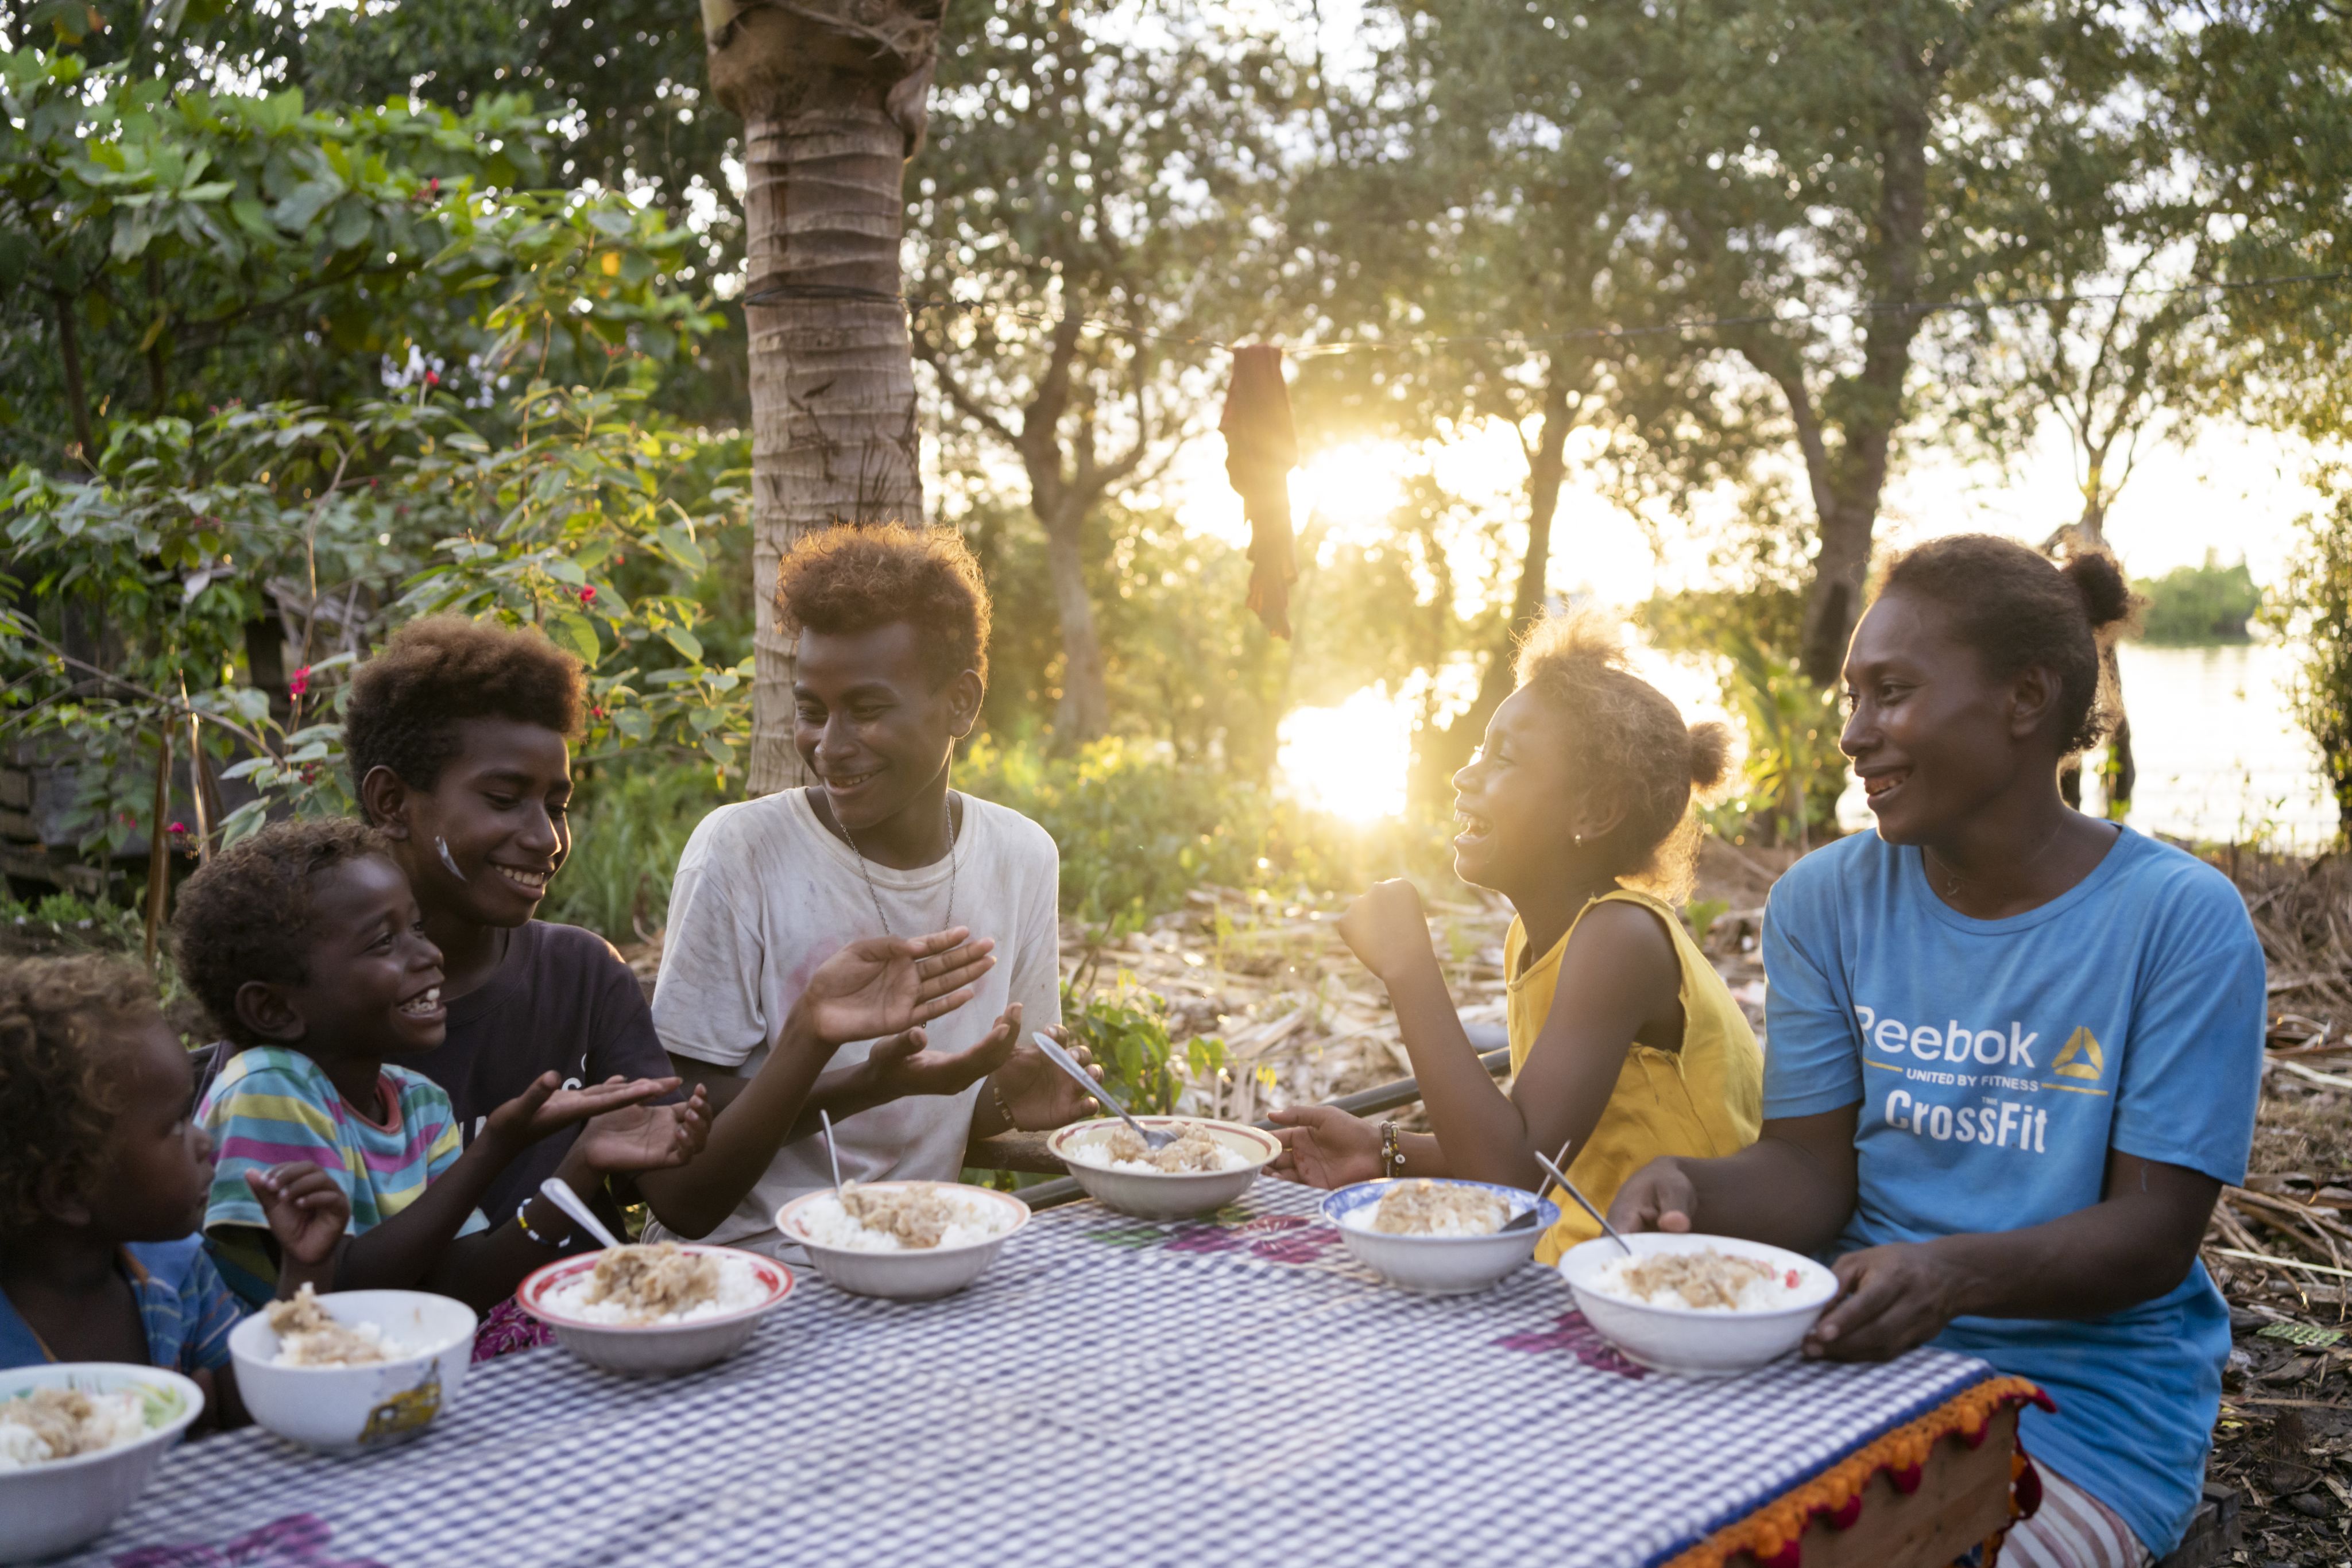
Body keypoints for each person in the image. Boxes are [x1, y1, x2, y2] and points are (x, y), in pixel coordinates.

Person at [1608, 536, 2265, 1567]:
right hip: (1842, 1351)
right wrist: (1690, 1184)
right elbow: (1809, 1173)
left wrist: (1952, 1278)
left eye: (1892, 693)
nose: (1853, 736)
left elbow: (2150, 1238)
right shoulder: (1824, 903)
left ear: (2024, 699)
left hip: (2075, 1411)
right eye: (1850, 701)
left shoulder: (2177, 921)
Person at [345, 615, 1006, 1276]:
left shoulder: (581, 977)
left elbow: (688, 1200)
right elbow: (336, 1288)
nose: (545, 838)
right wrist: (567, 1163)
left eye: (557, 805)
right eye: (503, 798)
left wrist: (820, 1040)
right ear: (391, 802)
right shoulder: (323, 1005)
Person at [650, 522, 1101, 1257]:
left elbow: (940, 1101)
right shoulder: (743, 853)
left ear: (960, 704)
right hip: (749, 1271)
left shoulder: (1021, 857)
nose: (828, 744)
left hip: (921, 1259)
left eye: (865, 709)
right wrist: (829, 1048)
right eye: (810, 709)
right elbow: (685, 1163)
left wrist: (1003, 1099)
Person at [1272, 610, 1762, 1263]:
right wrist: (1382, 1149)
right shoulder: (1537, 940)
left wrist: (1409, 970)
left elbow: (1509, 1176)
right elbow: (1532, 1141)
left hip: (1684, 1282)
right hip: (1588, 1267)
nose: (1464, 775)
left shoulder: (1622, 937)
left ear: (1594, 810)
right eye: (1480, 749)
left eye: (1502, 758)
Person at [173, 819, 706, 1313]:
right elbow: (338, 1298)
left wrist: (582, 1162)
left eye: (418, 929)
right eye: (385, 941)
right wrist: (496, 1146)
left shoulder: (416, 1100)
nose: (428, 956)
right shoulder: (268, 1088)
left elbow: (462, 1287)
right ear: (274, 1008)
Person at [0, 954, 345, 1428]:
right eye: (176, 1125)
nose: (205, 1139)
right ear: (69, 1189)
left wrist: (306, 1269)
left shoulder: (177, 1270)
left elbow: (263, 1407)